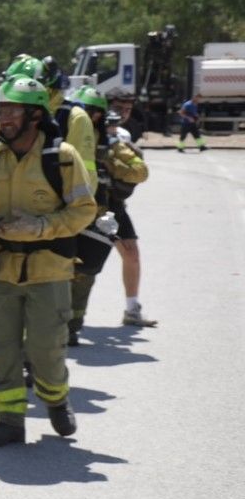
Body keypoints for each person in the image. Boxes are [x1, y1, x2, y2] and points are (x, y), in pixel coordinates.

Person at [0, 75, 97, 447]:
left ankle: (55, 398)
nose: (3, 118)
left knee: (44, 348)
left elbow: (84, 211)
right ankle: (8, 420)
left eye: (12, 110)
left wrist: (41, 227)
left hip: (49, 269)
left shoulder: (63, 159)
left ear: (35, 115)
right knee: (1, 348)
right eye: (0, 110)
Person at [71, 87, 156, 331]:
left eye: (128, 109)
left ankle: (132, 309)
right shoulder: (86, 129)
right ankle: (67, 317)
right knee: (83, 265)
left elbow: (138, 171)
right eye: (119, 108)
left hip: (113, 205)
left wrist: (111, 159)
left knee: (130, 253)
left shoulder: (122, 135)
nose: (123, 113)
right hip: (90, 202)